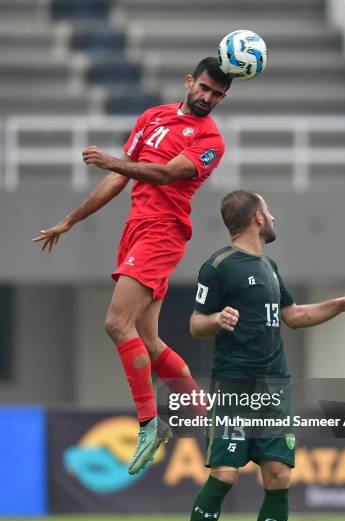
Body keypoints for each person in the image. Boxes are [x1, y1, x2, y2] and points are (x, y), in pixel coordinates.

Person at [177, 189, 345, 521]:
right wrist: (217, 318)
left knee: (279, 476)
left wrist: (340, 304)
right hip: (235, 384)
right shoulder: (218, 266)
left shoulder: (269, 266)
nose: (274, 218)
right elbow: (195, 324)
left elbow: (293, 316)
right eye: (269, 212)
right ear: (257, 218)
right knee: (224, 474)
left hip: (274, 386)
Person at [33, 57, 233, 475]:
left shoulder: (210, 138)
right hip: (136, 229)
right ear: (189, 81)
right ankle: (208, 418)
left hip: (163, 232)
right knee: (148, 338)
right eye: (204, 88)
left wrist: (111, 161)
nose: (208, 98)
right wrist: (70, 220)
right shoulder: (153, 117)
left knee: (116, 323)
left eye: (217, 94)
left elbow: (163, 174)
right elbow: (119, 178)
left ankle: (148, 423)